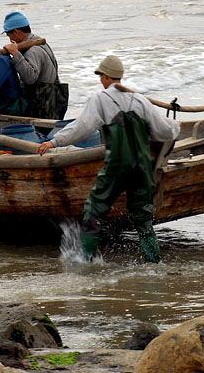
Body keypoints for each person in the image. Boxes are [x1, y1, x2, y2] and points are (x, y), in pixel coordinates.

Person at [37, 55, 180, 262]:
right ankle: (153, 263)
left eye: (100, 76)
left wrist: (55, 141)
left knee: (94, 210)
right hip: (142, 168)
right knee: (143, 218)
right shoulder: (139, 99)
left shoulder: (101, 100)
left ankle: (86, 260)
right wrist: (176, 128)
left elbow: (82, 127)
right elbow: (163, 131)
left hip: (117, 166)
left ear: (105, 77)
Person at [1, 11, 67, 119]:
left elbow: (30, 78)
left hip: (43, 104)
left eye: (9, 35)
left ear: (17, 32)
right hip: (52, 99)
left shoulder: (33, 50)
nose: (10, 40)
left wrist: (16, 54)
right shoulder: (39, 41)